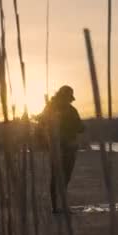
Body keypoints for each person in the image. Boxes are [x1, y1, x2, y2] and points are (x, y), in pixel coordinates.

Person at [43, 85, 84, 213]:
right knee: (64, 177)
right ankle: (59, 206)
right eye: (69, 98)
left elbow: (42, 123)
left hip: (56, 147)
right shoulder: (71, 110)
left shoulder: (49, 107)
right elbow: (80, 128)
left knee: (56, 177)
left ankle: (56, 207)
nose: (71, 101)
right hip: (67, 147)